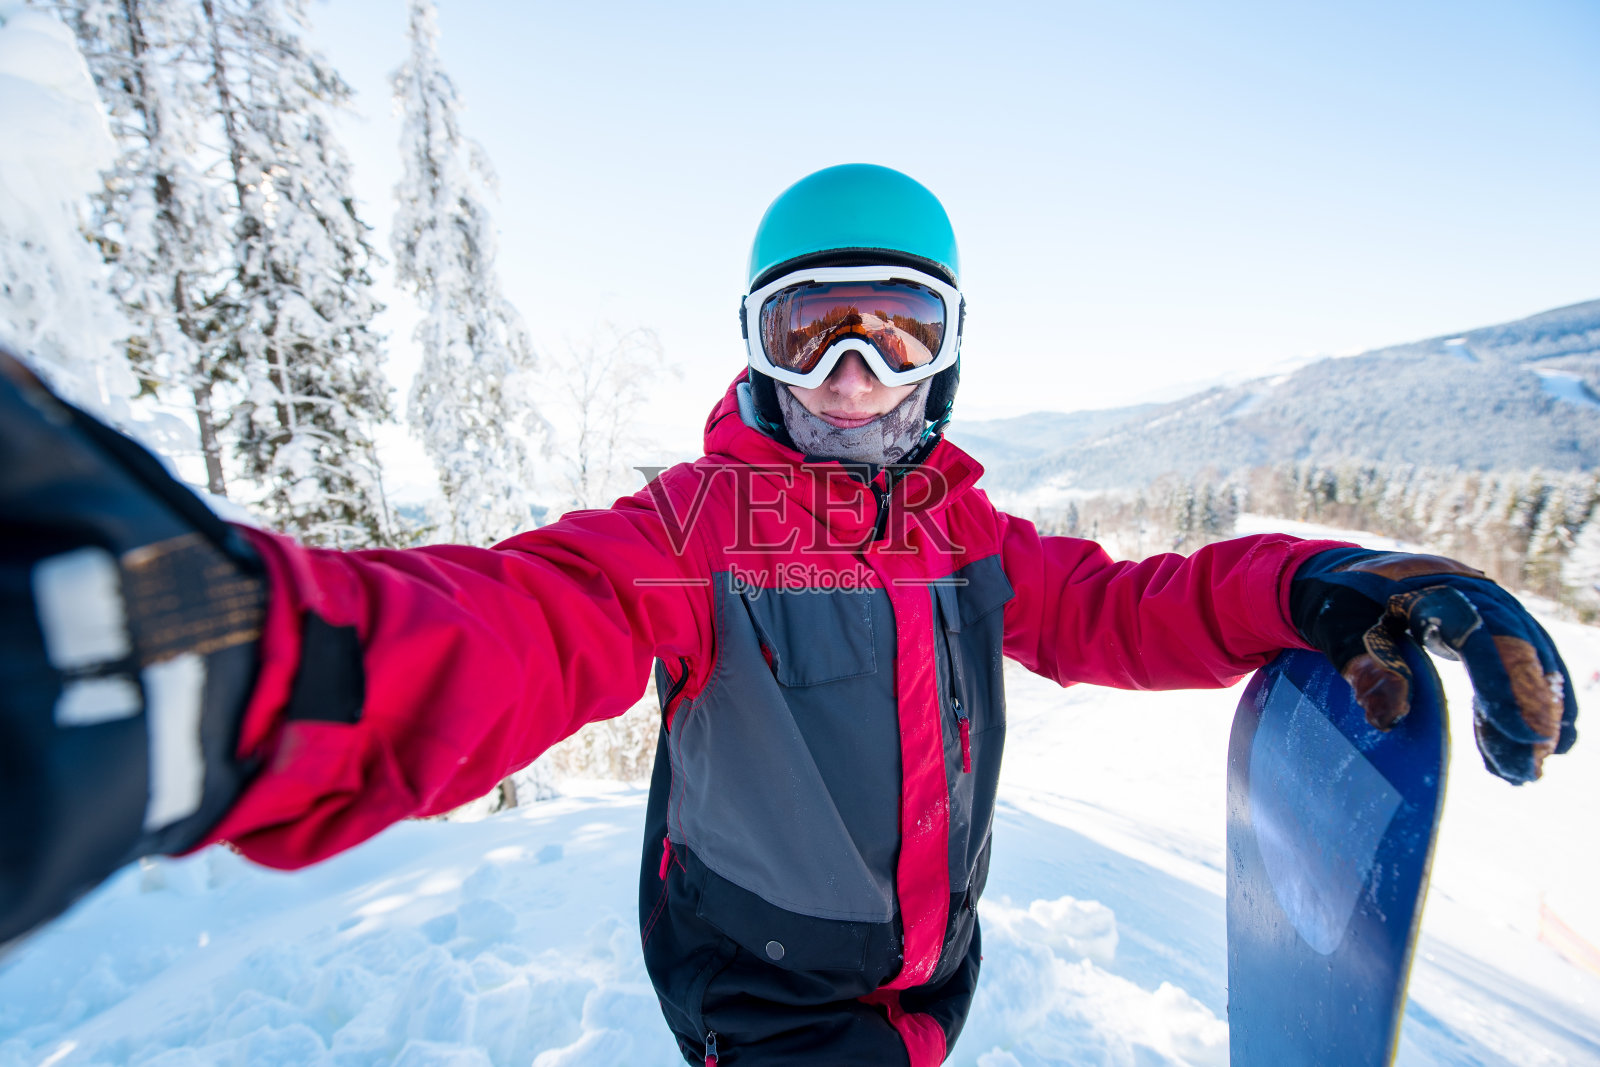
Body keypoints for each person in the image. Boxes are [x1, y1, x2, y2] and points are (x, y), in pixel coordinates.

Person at [0, 164, 1578, 1066]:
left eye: (898, 332)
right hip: (765, 989)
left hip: (926, 973)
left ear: (949, 351)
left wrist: (1304, 584)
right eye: (811, 330)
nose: (853, 377)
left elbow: (1118, 608)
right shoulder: (692, 536)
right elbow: (519, 621)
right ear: (754, 346)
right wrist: (256, 663)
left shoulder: (965, 533)